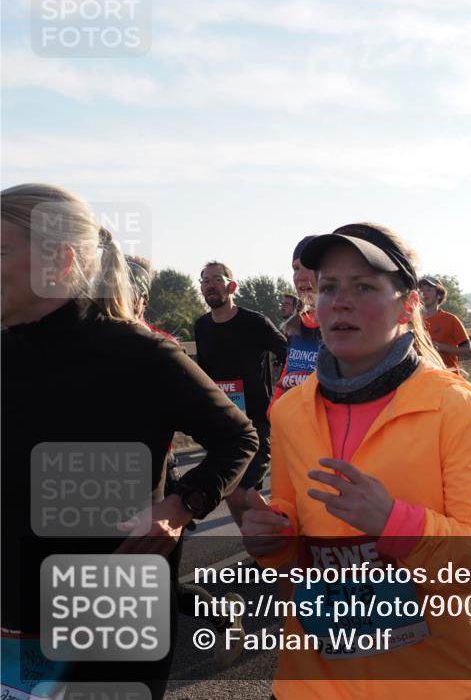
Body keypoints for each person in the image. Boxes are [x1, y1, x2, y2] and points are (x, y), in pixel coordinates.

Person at [238, 222, 471, 699]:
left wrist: (397, 523)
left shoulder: (452, 407)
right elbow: (294, 538)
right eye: (329, 287)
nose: (340, 301)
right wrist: (276, 535)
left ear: (408, 303)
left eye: (364, 286)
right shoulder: (289, 411)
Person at [1, 184, 256, 699]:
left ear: (59, 257)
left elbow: (237, 436)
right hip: (14, 605)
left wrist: (182, 505)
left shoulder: (141, 355)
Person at [126, 253, 248, 666]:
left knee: (157, 589)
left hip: (153, 482)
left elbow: (236, 436)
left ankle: (222, 614)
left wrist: (183, 501)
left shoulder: (156, 345)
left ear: (141, 299)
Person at [195, 261, 287, 524]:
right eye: (204, 281)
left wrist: (283, 394)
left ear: (231, 286)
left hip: (256, 423)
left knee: (240, 491)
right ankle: (261, 555)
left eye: (216, 279)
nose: (209, 285)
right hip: (223, 424)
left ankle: (286, 541)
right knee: (233, 493)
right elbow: (204, 374)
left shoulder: (255, 322)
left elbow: (289, 355)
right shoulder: (201, 327)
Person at [271, 236, 323, 409]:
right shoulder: (298, 324)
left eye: (308, 267)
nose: (299, 276)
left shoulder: (344, 325)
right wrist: (274, 409)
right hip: (290, 423)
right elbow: (288, 375)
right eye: (295, 268)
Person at [418, 275, 471, 374]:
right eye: (421, 290)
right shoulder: (414, 322)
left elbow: (469, 352)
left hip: (448, 379)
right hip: (425, 380)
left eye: (429, 290)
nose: (424, 293)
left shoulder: (451, 319)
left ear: (439, 295)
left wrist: (439, 347)